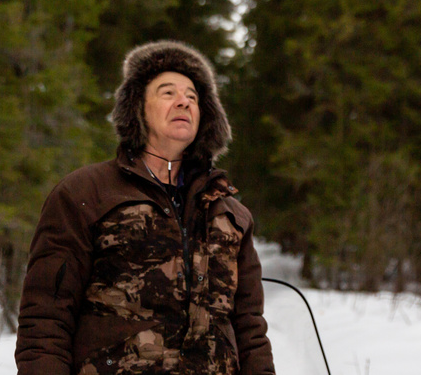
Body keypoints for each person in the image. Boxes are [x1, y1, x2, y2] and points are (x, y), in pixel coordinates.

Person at [16, 40, 275, 375]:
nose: (183, 101)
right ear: (138, 107)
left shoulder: (231, 216)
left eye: (193, 97)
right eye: (167, 93)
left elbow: (250, 330)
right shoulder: (85, 194)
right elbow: (45, 319)